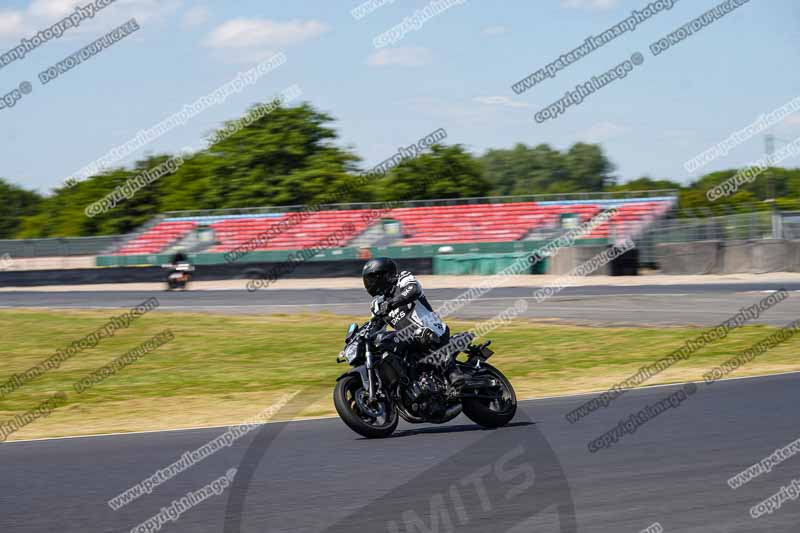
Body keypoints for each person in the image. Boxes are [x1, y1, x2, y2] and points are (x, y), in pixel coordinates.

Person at [362, 257, 465, 389]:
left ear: (385, 275)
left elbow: (413, 290)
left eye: (372, 279)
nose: (369, 283)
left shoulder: (403, 279)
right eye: (367, 279)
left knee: (423, 335)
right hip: (409, 341)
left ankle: (453, 371)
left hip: (431, 329)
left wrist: (392, 303)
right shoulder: (377, 304)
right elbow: (375, 327)